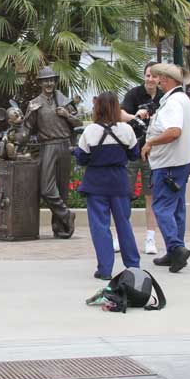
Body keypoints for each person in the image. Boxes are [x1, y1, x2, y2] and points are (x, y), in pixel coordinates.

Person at [74, 91, 141, 280]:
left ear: (98, 108)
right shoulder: (126, 130)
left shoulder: (90, 131)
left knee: (100, 226)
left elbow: (81, 157)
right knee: (124, 224)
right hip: (119, 180)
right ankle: (133, 265)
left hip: (96, 181)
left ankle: (105, 269)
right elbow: (134, 153)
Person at [141, 63, 190, 273]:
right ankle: (174, 251)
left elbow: (174, 131)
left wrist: (150, 143)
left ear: (167, 80)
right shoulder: (182, 99)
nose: (158, 81)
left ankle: (176, 248)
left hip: (169, 164)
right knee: (177, 208)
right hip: (180, 162)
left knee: (162, 207)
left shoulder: (173, 102)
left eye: (160, 78)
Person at [23, 67, 78, 238]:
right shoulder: (35, 104)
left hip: (65, 145)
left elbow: (78, 123)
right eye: (45, 80)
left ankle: (60, 227)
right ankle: (67, 214)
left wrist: (67, 115)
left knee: (62, 189)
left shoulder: (64, 100)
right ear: (40, 83)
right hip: (48, 145)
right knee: (47, 188)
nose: (49, 83)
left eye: (52, 80)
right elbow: (27, 128)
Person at [120, 61, 161, 254]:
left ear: (160, 78)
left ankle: (150, 239)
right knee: (124, 195)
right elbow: (120, 114)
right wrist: (136, 116)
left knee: (150, 197)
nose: (151, 79)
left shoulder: (165, 98)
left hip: (154, 153)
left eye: (154, 76)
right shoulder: (134, 94)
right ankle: (121, 237)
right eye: (148, 75)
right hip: (132, 150)